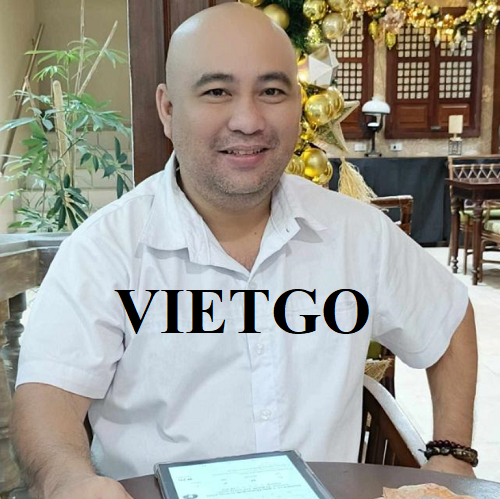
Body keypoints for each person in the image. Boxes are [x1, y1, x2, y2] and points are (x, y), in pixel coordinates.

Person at [12, 3, 478, 499]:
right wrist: (69, 480)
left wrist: (453, 452)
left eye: (272, 91)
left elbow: (448, 320)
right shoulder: (105, 250)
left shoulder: (357, 234)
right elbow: (49, 395)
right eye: (217, 91)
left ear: (298, 103)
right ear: (168, 109)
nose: (248, 120)